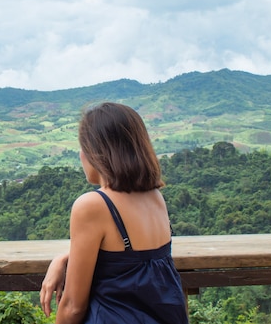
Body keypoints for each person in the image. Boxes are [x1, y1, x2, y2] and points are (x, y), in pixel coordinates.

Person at [39, 102, 188, 324]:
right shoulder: (155, 197)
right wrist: (64, 258)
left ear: (97, 153)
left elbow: (73, 307)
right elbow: (132, 262)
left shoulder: (93, 205)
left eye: (83, 147)